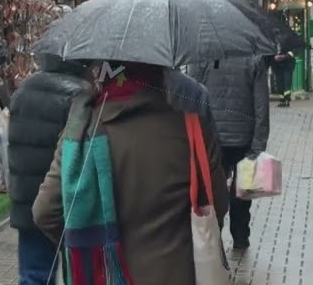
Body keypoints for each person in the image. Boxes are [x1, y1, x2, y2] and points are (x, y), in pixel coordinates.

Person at [33, 62, 228, 285]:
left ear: (105, 68)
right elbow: (218, 204)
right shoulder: (192, 126)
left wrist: (91, 246)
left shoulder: (82, 132)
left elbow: (45, 212)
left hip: (103, 277)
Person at [7, 53, 94, 285]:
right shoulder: (80, 94)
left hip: (26, 202)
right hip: (64, 202)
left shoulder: (24, 89)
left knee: (33, 275)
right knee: (78, 273)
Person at [191, 55, 270, 255]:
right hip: (245, 138)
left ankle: (214, 236)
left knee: (212, 189)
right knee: (243, 191)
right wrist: (258, 144)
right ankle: (241, 238)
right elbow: (262, 105)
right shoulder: (254, 58)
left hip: (212, 137)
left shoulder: (203, 56)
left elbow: (193, 96)